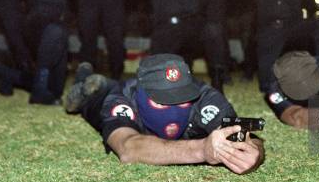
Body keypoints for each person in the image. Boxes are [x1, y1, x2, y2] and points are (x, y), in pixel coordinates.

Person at [64, 54, 264, 174]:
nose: (174, 109)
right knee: (93, 98)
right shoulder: (123, 99)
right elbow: (127, 148)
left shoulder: (205, 97)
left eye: (182, 98)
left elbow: (245, 137)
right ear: (140, 93)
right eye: (162, 101)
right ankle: (85, 80)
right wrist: (202, 149)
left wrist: (254, 153)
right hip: (102, 104)